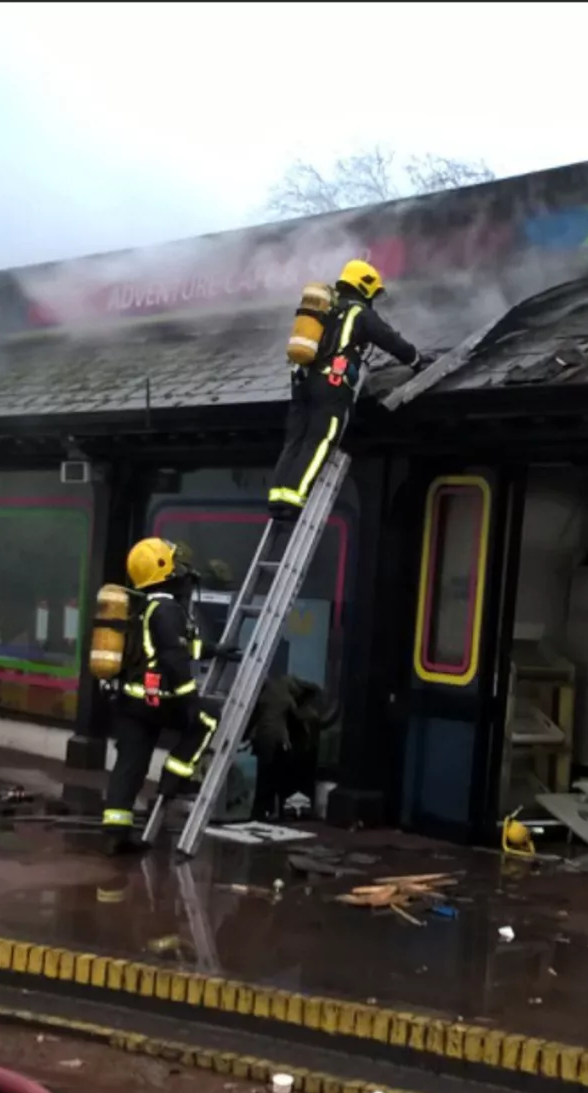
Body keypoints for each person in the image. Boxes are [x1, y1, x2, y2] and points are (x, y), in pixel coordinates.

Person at [101, 537, 239, 850]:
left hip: (129, 701)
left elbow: (175, 645)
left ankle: (115, 835)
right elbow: (173, 656)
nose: (182, 568)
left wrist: (214, 649)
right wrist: (190, 700)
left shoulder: (143, 606)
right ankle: (174, 779)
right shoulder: (167, 608)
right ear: (163, 567)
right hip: (158, 700)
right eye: (175, 561)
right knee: (207, 718)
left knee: (130, 765)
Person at [268, 259, 430, 524]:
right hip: (330, 385)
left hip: (301, 381)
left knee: (295, 440)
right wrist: (415, 359)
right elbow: (388, 338)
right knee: (320, 440)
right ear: (364, 287)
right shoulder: (358, 313)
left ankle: (278, 497)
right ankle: (295, 498)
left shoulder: (325, 310)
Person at [246, 675, 333, 822]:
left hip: (264, 740)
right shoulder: (287, 697)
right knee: (275, 778)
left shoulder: (269, 693)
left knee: (265, 777)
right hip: (277, 742)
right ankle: (274, 812)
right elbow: (301, 715)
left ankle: (261, 811)